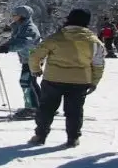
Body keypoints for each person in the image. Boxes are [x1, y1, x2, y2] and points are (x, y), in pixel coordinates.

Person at [28, 9, 106, 147]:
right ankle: (73, 138)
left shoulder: (55, 38)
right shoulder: (94, 41)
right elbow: (98, 64)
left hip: (53, 79)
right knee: (74, 111)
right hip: (80, 81)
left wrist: (36, 69)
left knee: (46, 108)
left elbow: (35, 55)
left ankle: (40, 135)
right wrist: (94, 82)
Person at [0, 5, 42, 119]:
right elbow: (13, 40)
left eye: (15, 15)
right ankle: (42, 106)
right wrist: (1, 47)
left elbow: (23, 44)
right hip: (28, 58)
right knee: (31, 82)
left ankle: (32, 109)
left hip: (34, 58)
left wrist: (3, 49)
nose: (13, 17)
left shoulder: (29, 28)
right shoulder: (19, 26)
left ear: (23, 16)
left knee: (25, 82)